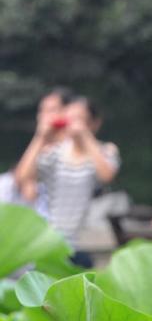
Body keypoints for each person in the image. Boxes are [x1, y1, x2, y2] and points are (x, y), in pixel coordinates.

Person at [15, 95, 120, 266]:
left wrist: (85, 137)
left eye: (80, 119)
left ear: (94, 123)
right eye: (70, 119)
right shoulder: (54, 154)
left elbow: (106, 175)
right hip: (53, 242)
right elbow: (23, 177)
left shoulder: (106, 151)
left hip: (88, 243)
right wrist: (40, 138)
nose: (74, 124)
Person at [12, 86, 74, 215]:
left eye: (51, 110)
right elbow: (21, 179)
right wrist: (40, 137)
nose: (44, 116)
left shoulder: (75, 145)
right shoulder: (41, 147)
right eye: (42, 111)